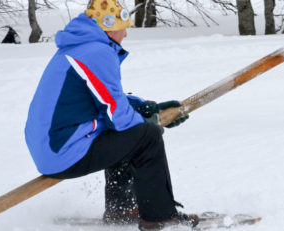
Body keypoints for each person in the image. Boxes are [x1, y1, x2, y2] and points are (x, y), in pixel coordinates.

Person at [24, 0, 197, 230]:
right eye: (122, 27)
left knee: (128, 133)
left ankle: (121, 209)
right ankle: (160, 216)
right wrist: (152, 122)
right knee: (147, 136)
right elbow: (118, 116)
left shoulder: (80, 46)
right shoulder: (96, 51)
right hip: (62, 151)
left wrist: (147, 107)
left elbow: (108, 98)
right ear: (107, 27)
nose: (125, 33)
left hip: (53, 147)